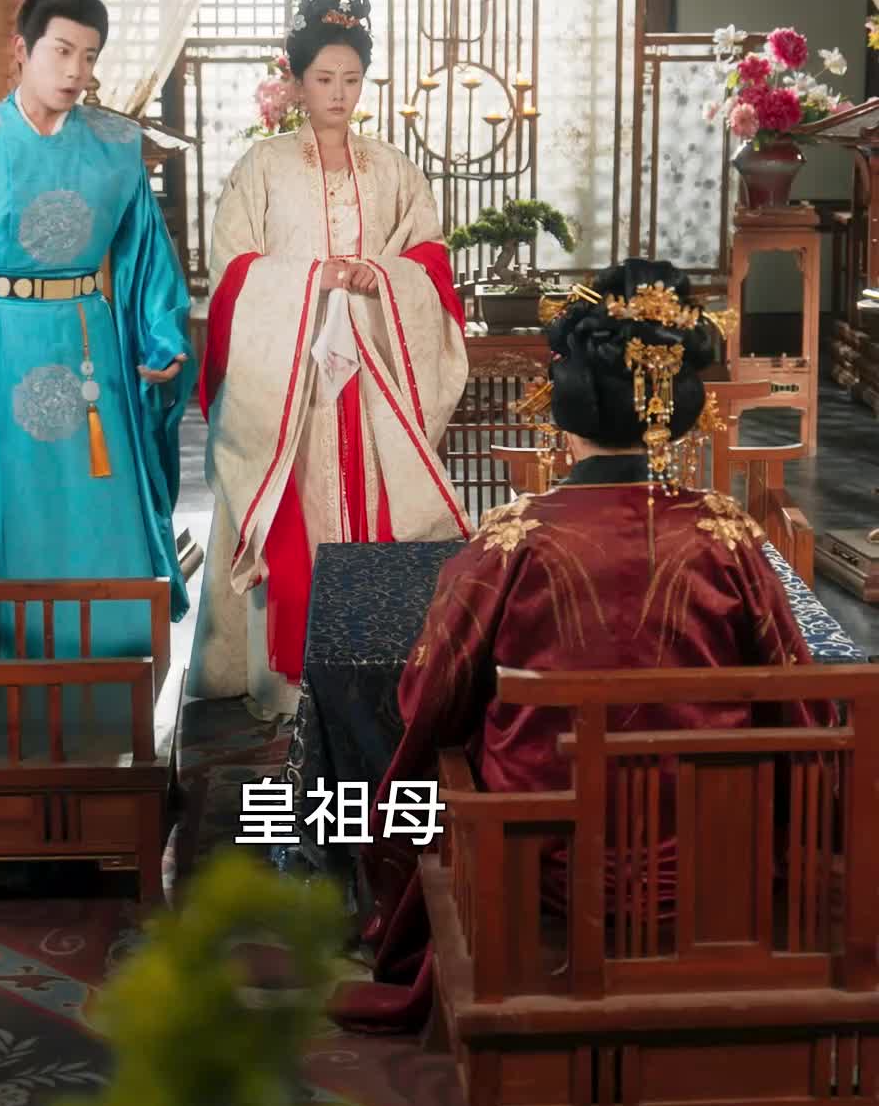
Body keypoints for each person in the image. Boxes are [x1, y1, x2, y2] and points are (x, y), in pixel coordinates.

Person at [332, 258, 832, 1033]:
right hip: (709, 849)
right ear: (676, 411)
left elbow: (427, 697)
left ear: (561, 411)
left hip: (547, 851)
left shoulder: (513, 539)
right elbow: (798, 696)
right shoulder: (726, 535)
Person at [189, 0, 470, 722]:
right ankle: (287, 681)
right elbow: (233, 270)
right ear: (297, 81)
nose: (338, 94)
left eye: (351, 79)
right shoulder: (263, 167)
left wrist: (381, 277)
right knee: (296, 510)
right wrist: (316, 277)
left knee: (380, 507)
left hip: (372, 372)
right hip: (292, 379)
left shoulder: (394, 169)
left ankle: (379, 670)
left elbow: (430, 258)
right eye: (323, 79)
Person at [0, 0, 193, 657]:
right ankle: (11, 654)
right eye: (61, 51)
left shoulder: (117, 147)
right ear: (22, 49)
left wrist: (160, 336)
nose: (75, 71)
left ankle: (117, 654)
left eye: (89, 57)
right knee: (15, 502)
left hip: (87, 337)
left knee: (95, 495)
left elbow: (146, 251)